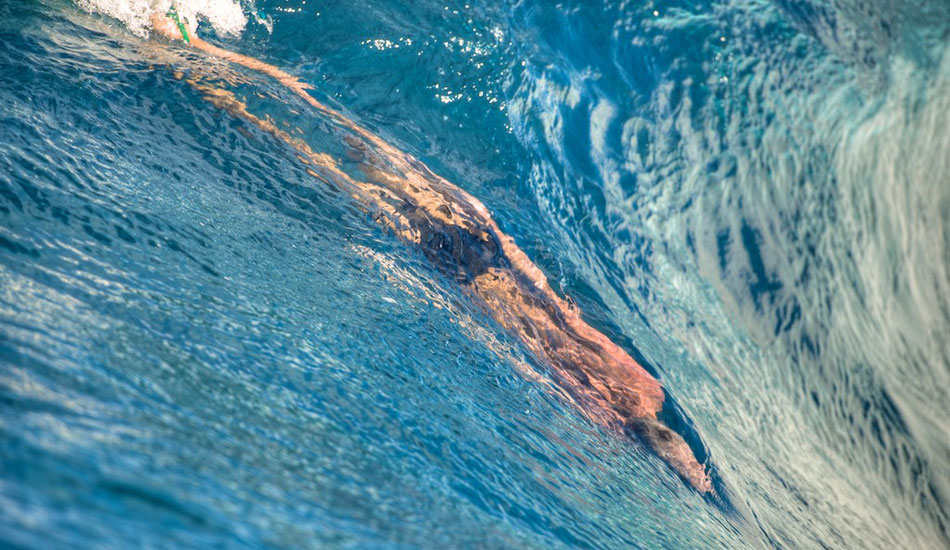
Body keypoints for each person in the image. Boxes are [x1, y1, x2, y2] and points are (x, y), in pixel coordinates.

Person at [149, 6, 713, 493]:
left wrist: (503, 239)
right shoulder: (601, 414)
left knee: (347, 133)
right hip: (460, 272)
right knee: (309, 156)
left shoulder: (645, 385)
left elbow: (553, 302)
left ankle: (197, 46)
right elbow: (525, 360)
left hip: (487, 243)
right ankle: (182, 63)